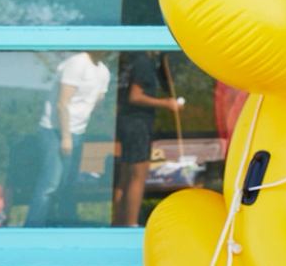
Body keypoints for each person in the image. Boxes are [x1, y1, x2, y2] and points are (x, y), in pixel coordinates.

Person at [25, 51, 110, 226]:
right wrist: (65, 137)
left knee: (67, 185)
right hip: (55, 131)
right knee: (50, 184)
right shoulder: (77, 63)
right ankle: (33, 228)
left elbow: (96, 101)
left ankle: (62, 226)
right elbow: (62, 103)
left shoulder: (103, 71)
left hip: (78, 132)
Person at [111, 53, 183, 228]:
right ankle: (131, 224)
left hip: (126, 122)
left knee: (125, 176)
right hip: (138, 124)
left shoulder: (133, 63)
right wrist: (166, 104)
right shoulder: (143, 63)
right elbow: (135, 96)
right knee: (138, 175)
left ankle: (117, 222)